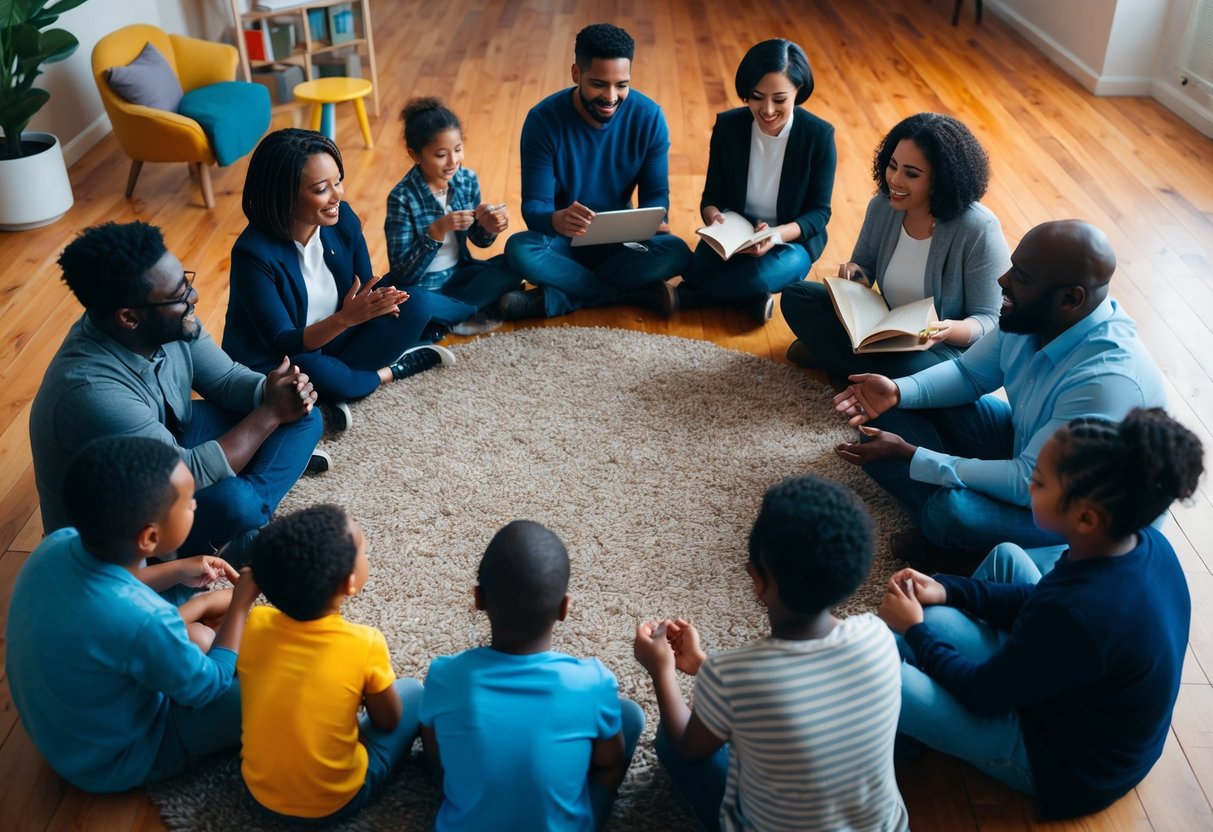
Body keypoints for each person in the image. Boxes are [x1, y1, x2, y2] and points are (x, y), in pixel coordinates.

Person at [878, 408, 1201, 820]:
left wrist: (917, 632)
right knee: (1003, 559)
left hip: (1064, 765)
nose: (1029, 482)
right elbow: (1039, 602)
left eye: (1041, 481)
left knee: (885, 663)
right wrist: (948, 588)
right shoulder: (1140, 544)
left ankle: (904, 732)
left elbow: (984, 694)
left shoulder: (1081, 613)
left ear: (1086, 517)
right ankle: (915, 715)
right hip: (1077, 704)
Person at [832, 219, 1166, 571]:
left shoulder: (1105, 382)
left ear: (1071, 298)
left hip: (1070, 515)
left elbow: (1028, 483)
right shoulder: (1036, 315)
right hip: (1027, 451)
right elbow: (968, 374)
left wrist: (915, 455)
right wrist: (898, 391)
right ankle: (953, 538)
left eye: (1021, 276)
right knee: (883, 409)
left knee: (952, 512)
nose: (1002, 280)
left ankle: (953, 541)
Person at [30, 221, 322, 561]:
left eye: (186, 282)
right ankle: (244, 519)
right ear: (129, 318)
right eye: (178, 296)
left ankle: (244, 523)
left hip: (167, 442)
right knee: (236, 500)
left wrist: (275, 390)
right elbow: (185, 473)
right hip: (123, 533)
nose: (193, 298)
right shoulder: (91, 391)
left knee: (304, 415)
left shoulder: (170, 319)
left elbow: (226, 379)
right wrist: (270, 413)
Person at [633, 475, 908, 832]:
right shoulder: (879, 636)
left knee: (669, 743)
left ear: (757, 579)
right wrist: (704, 665)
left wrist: (661, 669)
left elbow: (688, 746)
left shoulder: (731, 676)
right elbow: (796, 692)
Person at [6, 436, 259, 793]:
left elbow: (119, 586)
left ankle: (192, 621)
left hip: (64, 732)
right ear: (149, 538)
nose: (195, 507)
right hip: (116, 759)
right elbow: (209, 686)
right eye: (189, 504)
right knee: (265, 692)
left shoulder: (58, 542)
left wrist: (179, 569)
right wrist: (241, 603)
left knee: (184, 612)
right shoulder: (145, 619)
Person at [419, 520, 644, 831]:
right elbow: (610, 764)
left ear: (478, 599)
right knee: (629, 715)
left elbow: (438, 759)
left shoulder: (445, 676)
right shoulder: (593, 682)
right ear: (564, 609)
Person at [224, 128, 453, 433]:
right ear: (283, 195)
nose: (337, 195)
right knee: (316, 369)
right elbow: (283, 341)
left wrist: (380, 302)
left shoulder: (342, 218)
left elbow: (365, 285)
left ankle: (335, 394)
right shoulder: (253, 255)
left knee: (418, 304)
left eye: (338, 181)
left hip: (339, 336)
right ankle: (388, 373)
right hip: (283, 358)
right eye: (321, 189)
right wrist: (346, 318)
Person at [238, 503, 423, 825]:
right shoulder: (365, 643)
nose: (367, 556)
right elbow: (389, 720)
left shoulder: (256, 622)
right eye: (364, 551)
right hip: (334, 801)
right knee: (414, 690)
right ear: (349, 584)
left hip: (258, 792)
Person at [783, 112, 1007, 377]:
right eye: (892, 165)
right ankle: (870, 374)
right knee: (797, 296)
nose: (894, 180)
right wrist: (855, 276)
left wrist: (947, 329)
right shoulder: (883, 206)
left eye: (911, 174)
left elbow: (991, 320)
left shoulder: (978, 228)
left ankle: (838, 360)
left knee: (916, 369)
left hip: (939, 348)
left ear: (943, 180)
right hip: (884, 330)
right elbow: (864, 267)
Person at [501, 23, 692, 320]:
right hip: (564, 243)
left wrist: (656, 218)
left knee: (676, 251)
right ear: (576, 74)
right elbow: (534, 206)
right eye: (599, 84)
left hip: (622, 241)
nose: (612, 97)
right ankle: (628, 294)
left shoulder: (649, 117)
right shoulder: (543, 120)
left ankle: (556, 299)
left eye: (622, 85)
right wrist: (556, 219)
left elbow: (656, 194)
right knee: (519, 249)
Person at [680, 39, 836, 324]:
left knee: (765, 272)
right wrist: (715, 218)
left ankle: (690, 297)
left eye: (779, 99)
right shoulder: (728, 127)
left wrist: (773, 235)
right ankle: (751, 298)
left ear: (798, 92)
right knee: (695, 269)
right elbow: (712, 195)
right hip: (734, 236)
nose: (766, 110)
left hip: (787, 242)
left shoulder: (818, 136)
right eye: (756, 96)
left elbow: (819, 213)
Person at [385, 97, 523, 335]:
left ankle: (452, 314)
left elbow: (479, 240)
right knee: (412, 302)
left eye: (458, 150)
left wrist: (488, 226)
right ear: (415, 154)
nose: (453, 162)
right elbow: (402, 272)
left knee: (514, 265)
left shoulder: (466, 180)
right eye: (440, 155)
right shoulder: (402, 198)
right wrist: (436, 231)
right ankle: (465, 312)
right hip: (422, 287)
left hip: (459, 276)